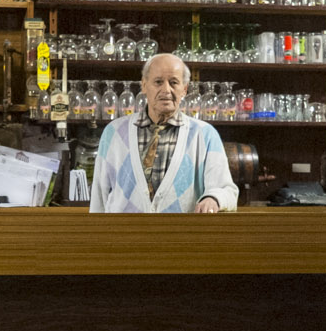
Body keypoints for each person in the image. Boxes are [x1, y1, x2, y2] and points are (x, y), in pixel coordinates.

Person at [89, 53, 239, 213]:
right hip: (124, 235)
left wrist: (213, 198)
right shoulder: (114, 132)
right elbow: (99, 196)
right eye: (158, 82)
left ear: (184, 89)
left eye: (173, 82)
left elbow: (227, 190)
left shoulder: (204, 135)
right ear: (144, 86)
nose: (166, 90)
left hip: (180, 236)